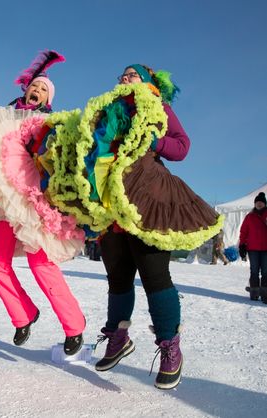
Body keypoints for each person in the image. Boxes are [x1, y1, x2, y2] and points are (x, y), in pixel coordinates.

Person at [82, 64, 222, 390]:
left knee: (154, 275)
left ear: (146, 82)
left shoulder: (157, 105)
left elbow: (182, 145)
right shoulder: (107, 111)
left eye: (131, 74)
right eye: (122, 75)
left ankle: (170, 346)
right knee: (117, 277)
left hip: (150, 196)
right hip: (112, 201)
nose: (124, 78)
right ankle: (118, 337)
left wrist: (155, 141)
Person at [0, 50, 86, 355]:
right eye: (35, 86)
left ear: (48, 98)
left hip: (32, 201)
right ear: (26, 88)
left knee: (40, 261)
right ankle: (24, 314)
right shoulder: (1, 116)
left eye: (44, 89)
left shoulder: (48, 122)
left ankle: (74, 327)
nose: (37, 91)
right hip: (2, 202)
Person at [239, 191, 267, 302]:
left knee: (266, 271)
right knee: (254, 271)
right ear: (255, 204)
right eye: (257, 202)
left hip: (266, 249)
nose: (259, 204)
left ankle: (265, 295)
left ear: (265, 204)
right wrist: (242, 245)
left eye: (261, 202)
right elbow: (243, 232)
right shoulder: (249, 217)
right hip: (253, 249)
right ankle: (254, 293)